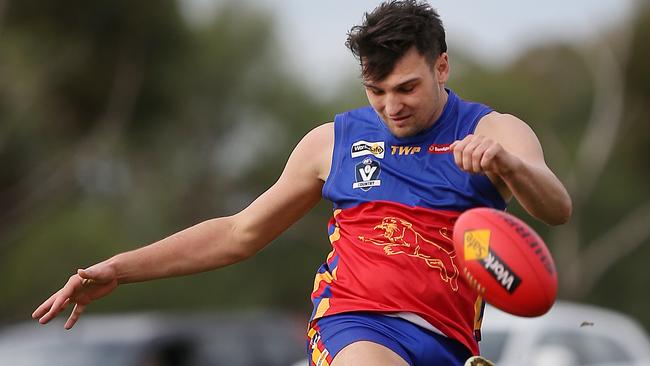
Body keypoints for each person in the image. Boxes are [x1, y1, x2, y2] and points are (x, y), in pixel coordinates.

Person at [32, 1, 572, 365]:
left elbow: (555, 208)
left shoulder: (493, 132)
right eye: (375, 90)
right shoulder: (332, 142)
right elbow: (239, 233)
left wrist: (510, 165)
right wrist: (118, 269)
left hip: (451, 341)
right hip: (356, 324)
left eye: (406, 87)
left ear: (443, 67)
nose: (391, 106)